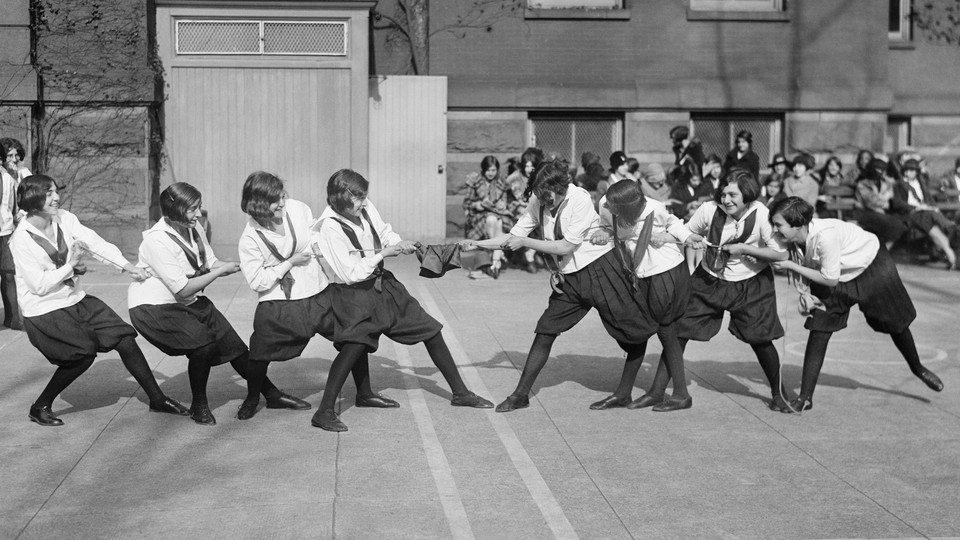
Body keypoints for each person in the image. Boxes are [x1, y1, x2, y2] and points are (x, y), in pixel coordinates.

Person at [464, 159, 664, 412]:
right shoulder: (539, 200)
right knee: (545, 330)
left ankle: (624, 393)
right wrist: (476, 244)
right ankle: (520, 395)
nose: (544, 200)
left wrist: (526, 243)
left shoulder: (578, 198)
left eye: (547, 195)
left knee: (634, 332)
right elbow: (514, 236)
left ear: (560, 187)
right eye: (539, 194)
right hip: (570, 279)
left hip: (603, 271)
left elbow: (565, 246)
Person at [314, 169, 492, 431]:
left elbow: (383, 232)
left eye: (365, 196)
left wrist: (400, 243)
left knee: (430, 329)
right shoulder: (328, 227)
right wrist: (384, 253)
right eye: (359, 197)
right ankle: (324, 412)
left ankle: (461, 393)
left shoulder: (363, 205)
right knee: (354, 346)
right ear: (342, 197)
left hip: (382, 284)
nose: (365, 202)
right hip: (351, 294)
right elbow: (349, 273)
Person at [11, 175, 189, 426]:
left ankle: (157, 399)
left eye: (55, 191)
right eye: (49, 193)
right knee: (83, 355)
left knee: (124, 338)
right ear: (33, 198)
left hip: (74, 299)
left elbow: (96, 245)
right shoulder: (21, 239)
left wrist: (128, 266)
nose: (56, 197)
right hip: (45, 309)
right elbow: (38, 286)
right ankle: (40, 406)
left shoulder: (65, 219)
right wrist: (70, 266)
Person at [129, 182, 307, 426]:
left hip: (186, 300)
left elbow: (210, 262)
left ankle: (272, 394)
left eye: (199, 207)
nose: (198, 214)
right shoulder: (156, 241)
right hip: (155, 307)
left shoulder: (194, 228)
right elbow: (182, 287)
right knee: (203, 346)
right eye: (192, 209)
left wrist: (240, 265)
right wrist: (218, 273)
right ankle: (199, 405)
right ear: (175, 210)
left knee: (235, 346)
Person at [237, 171, 396, 420]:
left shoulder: (297, 209)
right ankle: (253, 397)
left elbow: (315, 236)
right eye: (276, 200)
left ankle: (364, 392)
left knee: (356, 334)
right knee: (260, 352)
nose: (282, 202)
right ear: (258, 205)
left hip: (318, 291)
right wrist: (288, 263)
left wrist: (330, 252)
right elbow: (258, 281)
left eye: (282, 196)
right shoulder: (249, 239)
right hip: (280, 302)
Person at [633, 169, 794, 413]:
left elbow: (780, 253)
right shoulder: (709, 209)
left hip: (751, 283)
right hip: (709, 279)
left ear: (748, 194)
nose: (726, 199)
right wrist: (665, 237)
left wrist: (745, 249)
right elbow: (688, 232)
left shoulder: (762, 214)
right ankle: (658, 392)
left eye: (733, 194)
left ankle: (779, 393)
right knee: (677, 332)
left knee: (761, 340)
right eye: (723, 193)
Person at [768, 197, 944, 411]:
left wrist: (789, 266)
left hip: (870, 264)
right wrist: (803, 291)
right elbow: (809, 267)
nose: (775, 230)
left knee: (895, 323)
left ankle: (918, 368)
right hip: (835, 273)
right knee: (819, 329)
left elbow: (828, 279)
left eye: (778, 225)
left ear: (798, 224)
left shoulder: (825, 237)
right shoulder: (793, 238)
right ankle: (805, 398)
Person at [588, 180, 693, 411]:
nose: (611, 209)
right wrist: (600, 232)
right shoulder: (607, 204)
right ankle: (624, 393)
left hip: (665, 271)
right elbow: (607, 227)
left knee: (667, 330)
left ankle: (681, 394)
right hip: (638, 274)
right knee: (638, 329)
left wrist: (685, 237)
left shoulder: (652, 209)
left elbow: (674, 223)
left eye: (617, 209)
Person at [891, 159, 957, 269]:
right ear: (904, 171)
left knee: (933, 226)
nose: (910, 172)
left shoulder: (920, 183)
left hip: (924, 214)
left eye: (913, 170)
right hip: (910, 214)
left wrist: (932, 207)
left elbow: (929, 199)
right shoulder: (899, 185)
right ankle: (950, 229)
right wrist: (917, 207)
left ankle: (951, 256)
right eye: (908, 170)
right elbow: (897, 203)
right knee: (933, 222)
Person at [462, 156, 516, 279]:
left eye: (493, 170)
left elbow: (507, 202)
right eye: (488, 170)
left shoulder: (501, 183)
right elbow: (466, 203)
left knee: (499, 223)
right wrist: (477, 205)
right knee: (492, 222)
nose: (490, 173)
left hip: (499, 214)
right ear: (483, 170)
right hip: (480, 216)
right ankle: (497, 255)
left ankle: (494, 262)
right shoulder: (475, 181)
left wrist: (502, 204)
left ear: (497, 170)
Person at [1, 137, 31, 330]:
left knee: (9, 272)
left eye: (16, 154)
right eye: (9, 155)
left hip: (7, 230)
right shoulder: (3, 175)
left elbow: (26, 198)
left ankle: (13, 318)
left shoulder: (20, 174)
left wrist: (21, 213)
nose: (14, 158)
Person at [854, 158, 908, 250]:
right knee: (894, 224)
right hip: (865, 213)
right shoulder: (863, 184)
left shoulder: (886, 183)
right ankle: (879, 252)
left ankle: (882, 251)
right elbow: (871, 203)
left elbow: (892, 198)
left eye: (882, 170)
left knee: (902, 223)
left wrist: (885, 200)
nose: (879, 172)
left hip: (882, 213)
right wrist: (886, 199)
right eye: (877, 169)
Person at [506, 148, 544, 273]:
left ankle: (531, 253)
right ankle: (529, 256)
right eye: (526, 166)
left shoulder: (539, 176)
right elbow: (521, 199)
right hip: (518, 209)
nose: (529, 169)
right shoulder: (516, 177)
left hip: (535, 208)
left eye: (532, 166)